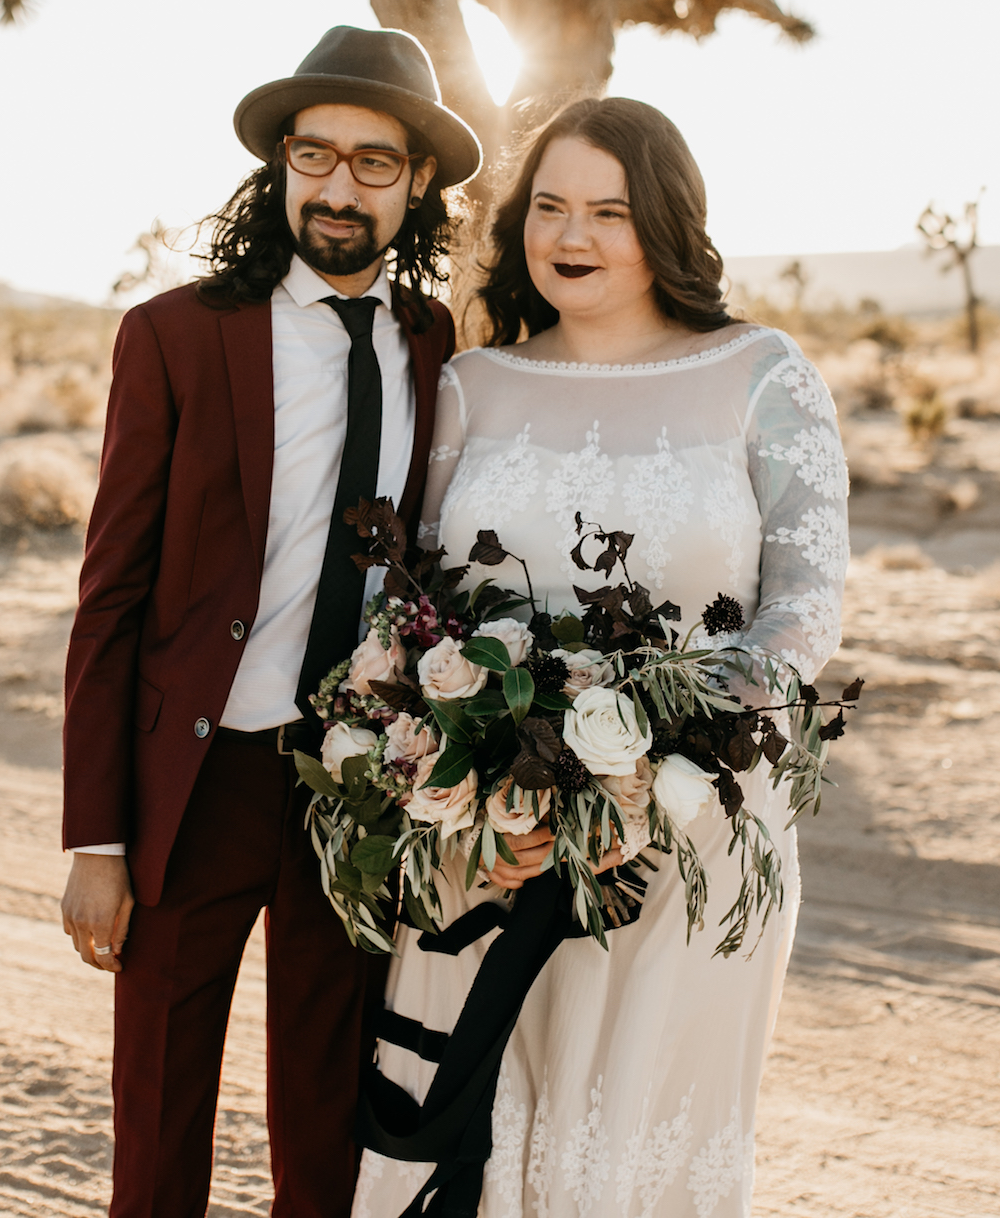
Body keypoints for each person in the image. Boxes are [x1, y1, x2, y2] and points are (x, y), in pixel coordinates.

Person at [352, 97, 849, 1218]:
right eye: (550, 206)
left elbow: (805, 606)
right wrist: (474, 773)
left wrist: (652, 762)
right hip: (490, 837)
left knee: (633, 1138)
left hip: (692, 824)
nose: (571, 234)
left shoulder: (765, 374)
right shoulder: (476, 385)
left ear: (665, 223)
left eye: (609, 211)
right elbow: (418, 607)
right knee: (472, 1121)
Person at [60, 26, 484, 1218]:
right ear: (280, 168)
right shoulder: (177, 336)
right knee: (157, 1102)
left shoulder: (434, 343)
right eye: (316, 155)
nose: (339, 186)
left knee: (328, 1101)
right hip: (199, 778)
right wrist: (95, 837)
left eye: (373, 162)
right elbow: (111, 596)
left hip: (354, 783)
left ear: (415, 186)